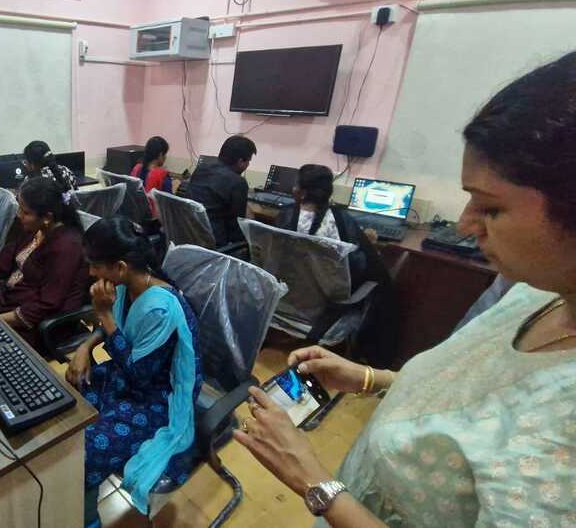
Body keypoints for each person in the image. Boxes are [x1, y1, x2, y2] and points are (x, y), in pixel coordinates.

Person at [233, 52, 576, 526]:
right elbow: (473, 390)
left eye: (491, 208)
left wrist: (314, 481)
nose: (464, 223)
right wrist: (367, 378)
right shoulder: (534, 291)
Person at [65, 217, 201, 528]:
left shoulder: (159, 309)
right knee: (72, 387)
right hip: (130, 376)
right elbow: (116, 327)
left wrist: (103, 314)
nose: (90, 273)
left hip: (155, 398)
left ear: (120, 267)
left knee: (82, 455)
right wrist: (86, 346)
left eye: (95, 266)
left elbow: (140, 374)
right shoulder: (130, 285)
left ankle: (87, 520)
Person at [273, 164, 398, 365]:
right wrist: (368, 243)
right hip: (325, 307)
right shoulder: (342, 221)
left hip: (283, 301)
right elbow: (360, 270)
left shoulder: (284, 216)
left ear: (302, 192)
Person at [0, 176, 88, 349]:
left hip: (33, 323)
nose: (19, 215)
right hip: (8, 299)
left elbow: (47, 304)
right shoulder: (35, 229)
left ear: (47, 217)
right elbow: (2, 261)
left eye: (25, 212)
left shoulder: (67, 246)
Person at [185, 135, 255, 247]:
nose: (248, 165)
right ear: (240, 161)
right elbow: (236, 227)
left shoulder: (201, 169)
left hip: (189, 234)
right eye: (248, 161)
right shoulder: (238, 182)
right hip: (216, 244)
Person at [130, 136, 178, 214]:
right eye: (165, 154)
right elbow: (169, 203)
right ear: (160, 155)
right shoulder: (162, 175)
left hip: (137, 215)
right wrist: (174, 189)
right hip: (154, 220)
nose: (165, 157)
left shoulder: (137, 168)